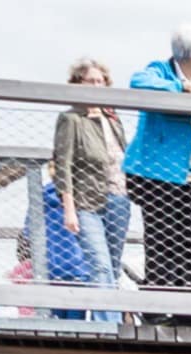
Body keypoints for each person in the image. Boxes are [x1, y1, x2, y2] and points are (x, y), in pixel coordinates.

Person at [124, 29, 191, 301]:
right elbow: (138, 82)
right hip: (159, 176)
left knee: (189, 244)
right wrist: (178, 88)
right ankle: (159, 305)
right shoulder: (162, 71)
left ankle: (188, 306)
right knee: (163, 242)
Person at [48, 65, 128, 309]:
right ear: (78, 84)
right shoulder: (71, 119)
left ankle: (111, 317)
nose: (96, 87)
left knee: (113, 266)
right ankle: (108, 329)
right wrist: (69, 208)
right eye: (90, 81)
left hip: (118, 198)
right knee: (100, 264)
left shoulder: (113, 120)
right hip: (86, 201)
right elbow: (63, 163)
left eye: (100, 82)